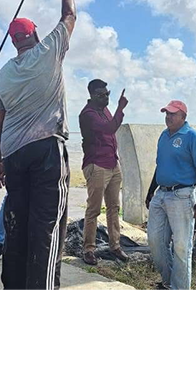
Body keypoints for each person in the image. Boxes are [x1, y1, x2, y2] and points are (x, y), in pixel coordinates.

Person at [0, 0, 76, 290]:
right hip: (46, 152)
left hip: (13, 156)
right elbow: (69, 15)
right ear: (35, 35)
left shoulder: (1, 77)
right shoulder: (48, 51)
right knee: (46, 229)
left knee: (17, 227)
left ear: (13, 42)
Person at [145, 100, 196, 290]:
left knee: (181, 246)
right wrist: (150, 192)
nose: (168, 117)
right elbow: (160, 167)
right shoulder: (164, 136)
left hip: (182, 195)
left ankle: (179, 287)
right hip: (161, 195)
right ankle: (168, 282)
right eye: (166, 114)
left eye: (173, 114)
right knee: (155, 241)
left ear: (183, 116)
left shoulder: (192, 137)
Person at [78, 79, 129, 265]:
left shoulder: (104, 110)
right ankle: (89, 249)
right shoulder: (88, 114)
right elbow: (110, 128)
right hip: (96, 164)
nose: (105, 98)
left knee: (114, 207)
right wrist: (120, 108)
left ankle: (115, 246)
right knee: (93, 209)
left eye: (107, 94)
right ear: (91, 95)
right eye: (101, 95)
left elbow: (110, 132)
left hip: (112, 163)